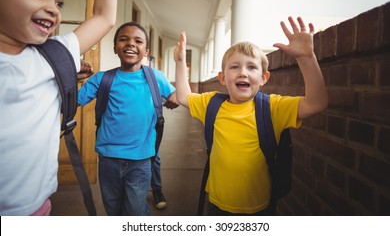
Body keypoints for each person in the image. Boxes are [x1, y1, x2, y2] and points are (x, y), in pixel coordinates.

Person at [174, 17, 328, 215]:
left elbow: (317, 103)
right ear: (222, 78)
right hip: (216, 203)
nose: (243, 73)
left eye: (251, 67)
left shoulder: (273, 108)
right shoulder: (211, 104)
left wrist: (307, 58)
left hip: (258, 208)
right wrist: (180, 62)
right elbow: (183, 96)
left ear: (264, 78)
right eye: (234, 67)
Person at [0, 0, 116, 216]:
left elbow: (104, 16)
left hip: (37, 208)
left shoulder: (52, 54)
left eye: (58, 1)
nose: (53, 9)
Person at [77, 22, 178, 216]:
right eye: (123, 39)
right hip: (108, 159)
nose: (130, 44)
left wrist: (175, 96)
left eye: (138, 41)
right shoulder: (102, 79)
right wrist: (71, 77)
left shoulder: (156, 78)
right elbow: (72, 102)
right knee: (113, 209)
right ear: (115, 48)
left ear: (145, 51)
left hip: (141, 159)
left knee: (135, 210)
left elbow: (177, 96)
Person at [142, 55, 178, 210]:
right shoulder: (116, 76)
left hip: (150, 127)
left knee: (153, 157)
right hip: (126, 130)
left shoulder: (155, 76)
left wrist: (173, 99)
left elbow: (174, 96)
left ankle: (157, 190)